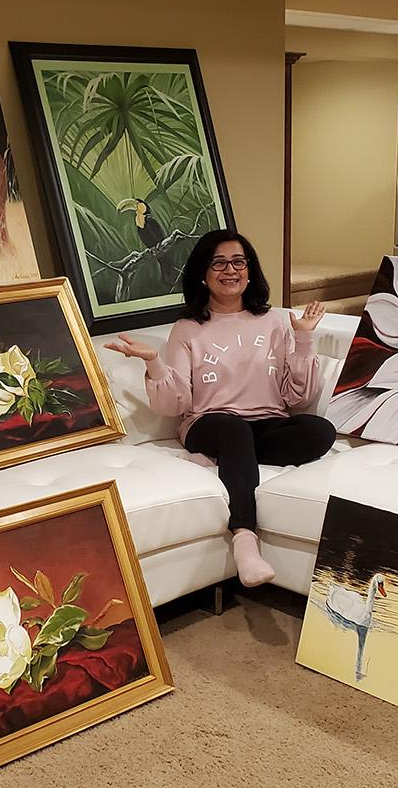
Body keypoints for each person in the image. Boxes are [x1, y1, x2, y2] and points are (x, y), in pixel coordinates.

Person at [105, 229, 334, 587]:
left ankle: (228, 460)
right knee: (233, 429)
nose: (231, 270)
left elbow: (298, 396)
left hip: (266, 422)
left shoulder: (276, 322)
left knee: (320, 430)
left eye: (239, 261)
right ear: (203, 273)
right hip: (209, 424)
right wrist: (154, 363)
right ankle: (244, 537)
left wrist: (304, 337)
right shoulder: (187, 329)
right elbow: (174, 403)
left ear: (250, 269)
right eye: (219, 263)